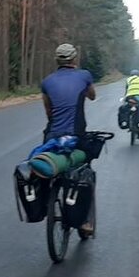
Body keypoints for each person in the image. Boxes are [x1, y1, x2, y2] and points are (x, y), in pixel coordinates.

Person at [40, 43, 98, 234]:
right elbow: (93, 97)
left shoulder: (47, 82)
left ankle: (48, 198)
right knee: (86, 169)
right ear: (74, 59)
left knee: (49, 167)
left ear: (57, 61)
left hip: (52, 136)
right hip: (77, 135)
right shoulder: (84, 76)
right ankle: (85, 222)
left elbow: (49, 111)